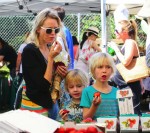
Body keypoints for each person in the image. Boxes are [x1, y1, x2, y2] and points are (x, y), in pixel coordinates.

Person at [20, 8, 67, 117]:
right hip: (35, 105)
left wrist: (60, 72)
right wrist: (51, 59)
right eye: (49, 30)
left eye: (56, 30)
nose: (53, 34)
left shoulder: (49, 46)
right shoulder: (30, 51)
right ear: (38, 29)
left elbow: (51, 77)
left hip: (50, 102)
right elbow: (42, 85)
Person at [109, 19, 142, 115]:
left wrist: (116, 48)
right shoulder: (125, 44)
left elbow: (125, 62)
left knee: (131, 116)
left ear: (125, 31)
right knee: (125, 115)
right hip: (123, 86)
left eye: (116, 30)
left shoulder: (130, 42)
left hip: (130, 86)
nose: (115, 32)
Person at [80, 52, 119, 120]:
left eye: (108, 67)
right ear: (93, 70)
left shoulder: (117, 92)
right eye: (100, 67)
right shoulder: (87, 91)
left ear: (112, 70)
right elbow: (85, 118)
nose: (104, 70)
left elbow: (122, 116)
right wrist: (94, 106)